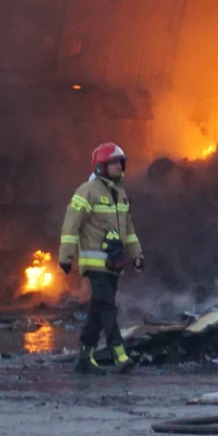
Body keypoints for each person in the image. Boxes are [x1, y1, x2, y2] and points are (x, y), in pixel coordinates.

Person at [58, 142, 144, 375]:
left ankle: (84, 358)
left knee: (98, 309)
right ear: (100, 167)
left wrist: (136, 255)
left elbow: (129, 230)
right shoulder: (87, 191)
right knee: (107, 306)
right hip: (94, 264)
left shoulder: (120, 195)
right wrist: (66, 255)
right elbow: (71, 224)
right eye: (113, 163)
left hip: (113, 264)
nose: (119, 166)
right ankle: (119, 353)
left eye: (120, 162)